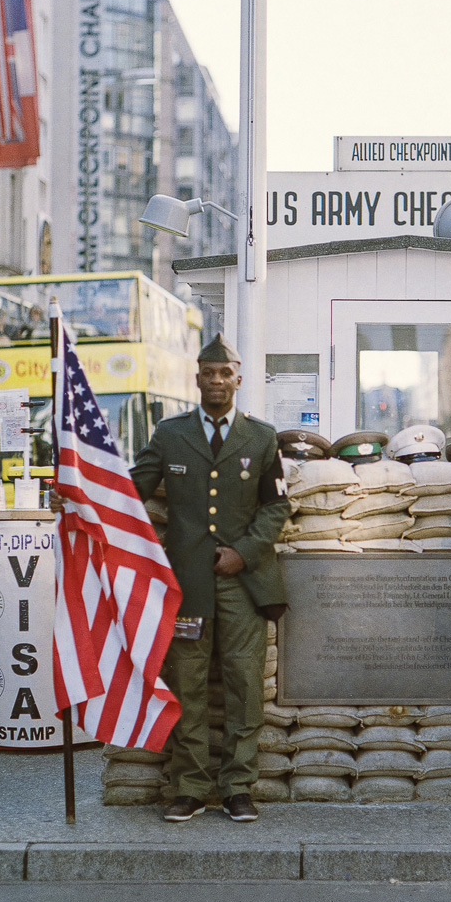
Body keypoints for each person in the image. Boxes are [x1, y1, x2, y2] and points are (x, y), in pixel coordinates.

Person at [130, 334, 290, 825]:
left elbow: (277, 504)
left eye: (225, 373)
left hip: (244, 584)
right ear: (196, 378)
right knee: (187, 685)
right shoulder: (170, 435)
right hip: (187, 585)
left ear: (238, 379)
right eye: (208, 373)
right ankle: (191, 787)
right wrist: (75, 499)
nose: (217, 381)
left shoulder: (261, 438)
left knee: (244, 686)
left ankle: (239, 788)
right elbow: (128, 492)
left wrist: (243, 553)